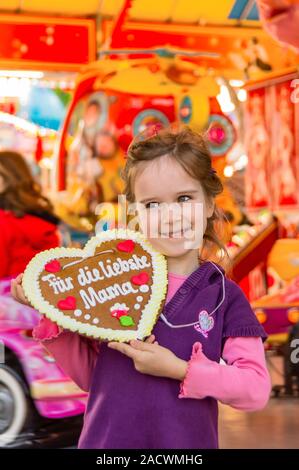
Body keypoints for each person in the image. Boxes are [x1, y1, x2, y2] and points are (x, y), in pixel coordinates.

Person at [11, 127, 271, 449]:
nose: (170, 216)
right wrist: (50, 306)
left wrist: (178, 369)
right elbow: (93, 377)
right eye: (152, 205)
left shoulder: (222, 297)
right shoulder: (113, 281)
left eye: (184, 198)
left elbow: (255, 388)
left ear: (208, 204)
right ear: (135, 213)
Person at [0, 151, 60, 279]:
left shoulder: (4, 221)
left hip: (9, 293)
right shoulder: (42, 217)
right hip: (40, 292)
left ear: (7, 179)